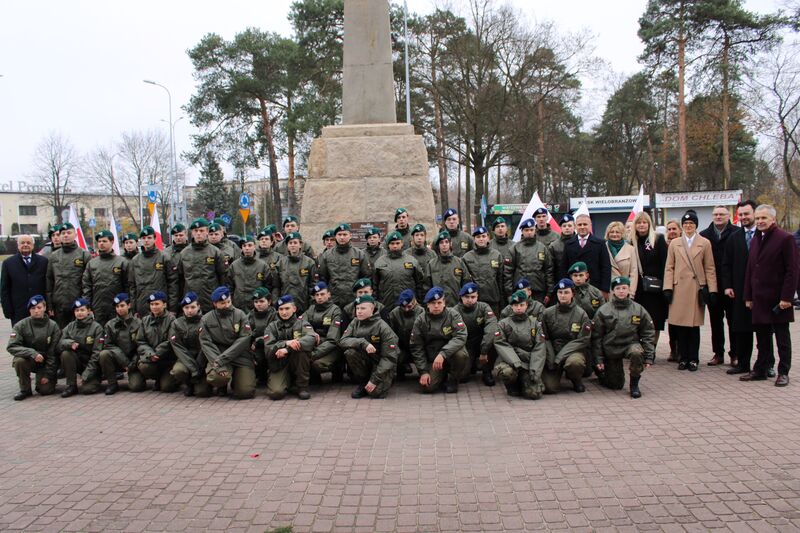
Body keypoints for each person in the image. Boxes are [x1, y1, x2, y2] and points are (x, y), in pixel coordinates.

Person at [742, 204, 798, 387]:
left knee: (782, 339)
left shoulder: (785, 238)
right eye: (757, 218)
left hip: (778, 299)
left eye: (763, 218)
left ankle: (783, 372)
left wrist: (787, 298)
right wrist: (748, 296)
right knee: (762, 338)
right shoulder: (757, 238)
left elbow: (792, 270)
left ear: (773, 219)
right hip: (759, 298)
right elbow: (751, 269)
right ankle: (760, 369)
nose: (759, 221)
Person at [663, 210, 718, 372]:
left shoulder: (705, 243)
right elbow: (669, 267)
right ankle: (683, 357)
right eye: (685, 224)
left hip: (696, 289)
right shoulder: (675, 243)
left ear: (696, 226)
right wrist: (667, 287)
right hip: (679, 288)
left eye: (691, 224)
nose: (688, 226)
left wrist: (712, 289)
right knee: (680, 326)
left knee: (694, 327)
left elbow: (710, 268)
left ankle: (693, 358)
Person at [592, 276, 656, 398]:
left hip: (630, 344)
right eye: (618, 288)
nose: (621, 291)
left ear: (628, 290)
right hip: (611, 348)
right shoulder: (604, 310)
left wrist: (649, 356)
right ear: (613, 291)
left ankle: (634, 384)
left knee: (637, 353)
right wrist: (598, 359)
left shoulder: (638, 309)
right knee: (615, 385)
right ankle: (602, 373)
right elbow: (597, 336)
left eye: (624, 288)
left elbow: (648, 332)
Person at [535, 279, 592, 394]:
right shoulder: (547, 313)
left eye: (566, 292)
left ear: (573, 294)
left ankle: (576, 380)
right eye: (560, 292)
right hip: (553, 351)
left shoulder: (581, 314)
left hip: (573, 351)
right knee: (550, 388)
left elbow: (583, 340)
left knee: (575, 364)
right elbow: (544, 337)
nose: (563, 295)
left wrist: (560, 357)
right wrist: (551, 357)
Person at [410, 286, 469, 393]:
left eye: (439, 302)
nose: (436, 306)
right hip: (433, 359)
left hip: (450, 355)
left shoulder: (453, 315)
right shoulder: (421, 320)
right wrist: (423, 371)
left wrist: (443, 354)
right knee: (427, 388)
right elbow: (416, 346)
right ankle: (441, 376)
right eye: (433, 303)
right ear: (427, 304)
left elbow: (461, 336)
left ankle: (453, 379)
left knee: (461, 355)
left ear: (444, 303)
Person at [200, 286, 256, 398]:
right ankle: (222, 385)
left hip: (240, 356)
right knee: (217, 378)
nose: (227, 305)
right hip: (218, 355)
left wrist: (223, 359)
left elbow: (244, 339)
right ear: (215, 304)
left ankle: (237, 380)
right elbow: (206, 343)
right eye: (222, 303)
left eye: (228, 301)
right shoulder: (206, 319)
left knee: (245, 392)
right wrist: (219, 365)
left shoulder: (240, 315)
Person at [339, 294, 400, 398]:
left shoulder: (383, 327)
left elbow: (389, 358)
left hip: (381, 365)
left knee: (375, 393)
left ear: (372, 309)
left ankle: (386, 379)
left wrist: (374, 380)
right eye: (357, 308)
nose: (359, 311)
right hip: (366, 362)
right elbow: (343, 341)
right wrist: (363, 342)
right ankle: (363, 382)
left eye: (363, 308)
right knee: (350, 353)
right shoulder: (355, 322)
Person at [700, 205, 737, 366]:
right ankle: (718, 353)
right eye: (716, 214)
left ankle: (735, 354)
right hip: (712, 285)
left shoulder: (736, 233)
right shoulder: (704, 236)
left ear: (728, 216)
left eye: (722, 214)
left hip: (731, 286)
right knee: (715, 322)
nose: (718, 217)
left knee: (733, 321)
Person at [722, 200, 757, 376]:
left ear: (755, 214)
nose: (743, 217)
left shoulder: (763, 235)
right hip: (740, 290)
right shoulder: (734, 237)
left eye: (746, 214)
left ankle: (767, 364)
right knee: (742, 329)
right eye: (741, 214)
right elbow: (726, 264)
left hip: (761, 291)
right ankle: (743, 364)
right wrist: (727, 285)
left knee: (764, 331)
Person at [85, 292, 143, 395]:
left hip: (134, 361)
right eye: (117, 306)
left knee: (136, 387)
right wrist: (124, 362)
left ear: (129, 305)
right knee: (104, 354)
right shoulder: (110, 325)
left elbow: (141, 345)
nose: (119, 309)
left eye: (122, 305)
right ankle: (112, 383)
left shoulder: (138, 323)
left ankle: (137, 376)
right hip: (117, 360)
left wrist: (132, 364)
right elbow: (108, 345)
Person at [492, 289, 545, 399]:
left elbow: (539, 346)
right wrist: (516, 362)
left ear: (526, 305)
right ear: (511, 306)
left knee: (534, 394)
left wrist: (534, 369)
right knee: (506, 372)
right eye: (515, 305)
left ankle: (525, 381)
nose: (519, 308)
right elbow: (500, 344)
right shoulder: (503, 323)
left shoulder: (535, 324)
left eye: (521, 305)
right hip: (510, 362)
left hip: (528, 362)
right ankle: (512, 386)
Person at [264, 294, 316, 400]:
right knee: (276, 393)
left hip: (296, 362)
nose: (284, 312)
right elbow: (268, 350)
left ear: (294, 309)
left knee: (302, 349)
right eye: (281, 309)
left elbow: (311, 338)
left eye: (287, 308)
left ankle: (302, 387)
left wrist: (287, 350)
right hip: (279, 364)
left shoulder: (303, 324)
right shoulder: (271, 327)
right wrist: (285, 343)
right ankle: (289, 383)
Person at [7, 295, 60, 400]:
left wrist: (48, 375)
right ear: (29, 310)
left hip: (45, 362)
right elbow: (12, 346)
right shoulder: (20, 325)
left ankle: (45, 379)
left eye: (39, 308)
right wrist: (32, 353)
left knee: (45, 390)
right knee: (19, 361)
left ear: (44, 308)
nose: (36, 311)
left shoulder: (53, 326)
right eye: (33, 308)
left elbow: (53, 352)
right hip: (29, 359)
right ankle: (25, 389)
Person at [630, 211, 668, 352]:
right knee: (637, 320)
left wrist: (665, 285)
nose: (641, 225)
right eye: (639, 222)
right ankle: (638, 348)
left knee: (654, 320)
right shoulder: (631, 241)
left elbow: (665, 264)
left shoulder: (658, 240)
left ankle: (651, 349)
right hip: (638, 288)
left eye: (644, 222)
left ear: (649, 224)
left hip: (655, 289)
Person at [175, 218, 227, 312]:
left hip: (210, 299)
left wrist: (221, 298)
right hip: (191, 301)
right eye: (196, 231)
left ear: (207, 231)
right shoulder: (184, 253)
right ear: (192, 233)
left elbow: (222, 277)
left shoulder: (215, 252)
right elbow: (180, 279)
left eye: (201, 230)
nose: (198, 233)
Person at [46, 222, 92, 328]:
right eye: (63, 233)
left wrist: (86, 303)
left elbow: (89, 282)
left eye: (68, 232)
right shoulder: (53, 256)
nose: (65, 235)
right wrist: (49, 305)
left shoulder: (84, 254)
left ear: (75, 235)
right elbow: (49, 281)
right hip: (59, 305)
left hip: (78, 305)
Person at [317, 223, 372, 309]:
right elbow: (323, 277)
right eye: (339, 234)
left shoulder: (359, 254)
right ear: (335, 237)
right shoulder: (327, 255)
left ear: (350, 236)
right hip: (334, 299)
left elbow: (366, 276)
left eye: (345, 234)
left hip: (353, 299)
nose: (342, 237)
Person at [58, 298, 104, 398]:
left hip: (92, 365)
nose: (79, 313)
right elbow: (60, 342)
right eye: (77, 310)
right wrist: (70, 343)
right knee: (66, 353)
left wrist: (86, 374)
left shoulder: (96, 328)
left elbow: (97, 353)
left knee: (87, 390)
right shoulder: (70, 327)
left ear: (89, 311)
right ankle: (71, 385)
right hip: (78, 362)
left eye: (82, 310)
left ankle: (95, 379)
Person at [455, 282, 498, 386]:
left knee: (495, 340)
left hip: (482, 343)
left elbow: (491, 327)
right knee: (462, 377)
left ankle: (487, 371)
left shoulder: (484, 307)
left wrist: (483, 351)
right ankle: (472, 365)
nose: (470, 300)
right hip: (466, 345)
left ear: (477, 296)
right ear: (461, 297)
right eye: (467, 297)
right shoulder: (455, 311)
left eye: (473, 297)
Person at [82, 230, 128, 326]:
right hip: (98, 306)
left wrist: (127, 304)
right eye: (99, 241)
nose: (101, 244)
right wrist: (87, 305)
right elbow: (87, 286)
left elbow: (128, 285)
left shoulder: (122, 262)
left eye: (104, 241)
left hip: (117, 306)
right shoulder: (92, 263)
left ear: (112, 242)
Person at [128, 226, 177, 318]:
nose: (146, 240)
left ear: (155, 239)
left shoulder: (164, 257)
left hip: (161, 305)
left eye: (149, 238)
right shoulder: (135, 260)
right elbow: (132, 286)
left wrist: (172, 308)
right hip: (142, 306)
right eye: (143, 238)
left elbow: (173, 284)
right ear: (140, 240)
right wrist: (134, 309)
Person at [169, 292, 211, 397]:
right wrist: (193, 368)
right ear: (183, 309)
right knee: (178, 370)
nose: (190, 310)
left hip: (203, 360)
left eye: (193, 307)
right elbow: (178, 348)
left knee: (202, 393)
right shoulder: (177, 323)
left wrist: (199, 366)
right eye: (186, 307)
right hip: (186, 358)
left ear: (199, 306)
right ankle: (188, 383)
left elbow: (206, 346)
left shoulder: (206, 321)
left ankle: (204, 381)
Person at [136, 291, 178, 392]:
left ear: (164, 305)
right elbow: (140, 341)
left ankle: (172, 379)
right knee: (143, 366)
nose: (154, 307)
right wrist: (150, 353)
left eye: (157, 304)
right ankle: (158, 379)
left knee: (167, 388)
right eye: (152, 304)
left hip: (168, 360)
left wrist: (157, 353)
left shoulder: (172, 320)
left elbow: (171, 340)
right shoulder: (145, 321)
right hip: (152, 358)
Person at [561, 213, 612, 297]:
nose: (582, 227)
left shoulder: (600, 243)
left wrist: (604, 289)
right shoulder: (568, 244)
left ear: (590, 225)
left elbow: (606, 267)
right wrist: (566, 287)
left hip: (595, 287)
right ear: (575, 226)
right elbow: (564, 267)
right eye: (579, 224)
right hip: (574, 288)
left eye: (585, 224)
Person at [2, 234, 48, 325]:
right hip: (18, 311)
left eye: (28, 242)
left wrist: (48, 307)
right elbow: (4, 289)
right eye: (22, 243)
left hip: (39, 310)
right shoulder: (8, 263)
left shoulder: (43, 262)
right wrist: (7, 309)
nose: (25, 245)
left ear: (33, 245)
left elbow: (48, 286)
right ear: (18, 245)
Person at [303, 281, 344, 384]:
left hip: (332, 349)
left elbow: (333, 340)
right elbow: (301, 323)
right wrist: (311, 333)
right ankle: (315, 380)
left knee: (315, 364)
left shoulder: (335, 310)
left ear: (329, 294)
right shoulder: (311, 309)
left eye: (322, 294)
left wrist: (313, 354)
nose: (319, 297)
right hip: (315, 345)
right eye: (317, 295)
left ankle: (338, 368)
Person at [504, 218, 554, 303]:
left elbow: (549, 270)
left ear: (535, 230)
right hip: (520, 290)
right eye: (526, 230)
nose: (529, 232)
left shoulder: (542, 248)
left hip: (538, 291)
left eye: (531, 230)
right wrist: (509, 293)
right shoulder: (515, 248)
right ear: (522, 231)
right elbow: (508, 272)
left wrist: (549, 293)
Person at [373, 231, 424, 311]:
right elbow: (374, 285)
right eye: (392, 243)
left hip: (408, 305)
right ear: (388, 245)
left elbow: (420, 283)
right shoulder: (380, 262)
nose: (395, 246)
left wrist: (419, 301)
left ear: (402, 243)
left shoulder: (412, 261)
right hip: (386, 305)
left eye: (397, 243)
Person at [462, 226, 504, 314]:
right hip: (475, 301)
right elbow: (464, 281)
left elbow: (501, 280)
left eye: (483, 236)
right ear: (474, 239)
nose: (481, 239)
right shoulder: (467, 257)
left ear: (488, 238)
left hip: (493, 300)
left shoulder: (496, 255)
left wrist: (502, 301)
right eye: (478, 237)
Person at [272, 232, 317, 313]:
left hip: (304, 305)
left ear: (300, 245)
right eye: (290, 243)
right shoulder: (281, 263)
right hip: (285, 306)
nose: (292, 245)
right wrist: (276, 303)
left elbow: (313, 285)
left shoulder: (309, 262)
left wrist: (312, 304)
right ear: (287, 246)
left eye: (295, 243)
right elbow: (276, 286)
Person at [425, 231, 473, 305]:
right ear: (438, 245)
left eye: (446, 242)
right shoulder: (431, 264)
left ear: (450, 244)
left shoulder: (459, 262)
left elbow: (466, 283)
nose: (444, 244)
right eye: (441, 242)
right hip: (438, 306)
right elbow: (426, 287)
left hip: (457, 305)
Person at [387, 289, 424, 381]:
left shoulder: (422, 312)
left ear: (414, 302)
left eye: (409, 306)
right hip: (402, 347)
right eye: (403, 307)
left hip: (419, 347)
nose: (406, 309)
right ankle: (401, 369)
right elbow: (390, 333)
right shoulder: (394, 313)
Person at [226, 237, 269, 311]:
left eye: (249, 245)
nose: (247, 248)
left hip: (257, 305)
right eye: (244, 246)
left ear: (254, 246)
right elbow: (230, 286)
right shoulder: (234, 265)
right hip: (239, 305)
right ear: (241, 248)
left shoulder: (263, 266)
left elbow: (268, 285)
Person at [247, 287, 276, 386]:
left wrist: (258, 340)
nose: (258, 304)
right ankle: (261, 376)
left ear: (269, 301)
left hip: (272, 346)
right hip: (257, 348)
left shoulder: (275, 315)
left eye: (261, 301)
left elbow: (275, 334)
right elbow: (246, 334)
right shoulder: (250, 316)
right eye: (256, 301)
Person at [664, 219, 682, 362]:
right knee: (671, 321)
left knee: (680, 320)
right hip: (666, 286)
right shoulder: (663, 245)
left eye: (674, 229)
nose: (671, 232)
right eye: (669, 229)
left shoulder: (684, 245)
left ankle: (681, 349)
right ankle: (673, 349)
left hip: (681, 286)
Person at [605, 221, 639, 295]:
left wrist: (631, 292)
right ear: (608, 234)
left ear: (622, 234)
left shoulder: (630, 249)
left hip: (625, 290)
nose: (614, 234)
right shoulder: (603, 247)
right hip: (608, 290)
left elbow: (634, 273)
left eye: (617, 232)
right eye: (612, 232)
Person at [549, 214, 576, 282]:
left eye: (569, 226)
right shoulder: (554, 246)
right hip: (560, 281)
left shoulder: (580, 242)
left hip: (577, 280)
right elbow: (550, 269)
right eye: (564, 226)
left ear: (574, 227)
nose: (567, 228)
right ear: (560, 227)